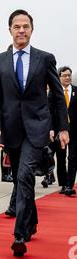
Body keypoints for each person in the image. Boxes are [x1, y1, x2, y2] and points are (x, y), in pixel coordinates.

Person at [0, 9, 69, 256]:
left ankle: (19, 235)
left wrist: (63, 127)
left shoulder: (45, 59)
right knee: (19, 178)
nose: (21, 30)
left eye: (25, 26)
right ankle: (31, 222)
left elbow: (57, 96)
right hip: (11, 130)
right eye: (17, 26)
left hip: (37, 128)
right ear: (10, 30)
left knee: (24, 176)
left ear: (32, 30)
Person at [54, 67, 77, 196]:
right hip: (60, 130)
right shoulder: (55, 91)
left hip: (75, 130)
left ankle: (70, 185)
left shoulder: (76, 91)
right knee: (61, 158)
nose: (67, 78)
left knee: (73, 157)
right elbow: (50, 110)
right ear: (59, 77)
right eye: (64, 76)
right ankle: (63, 184)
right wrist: (51, 129)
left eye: (69, 75)